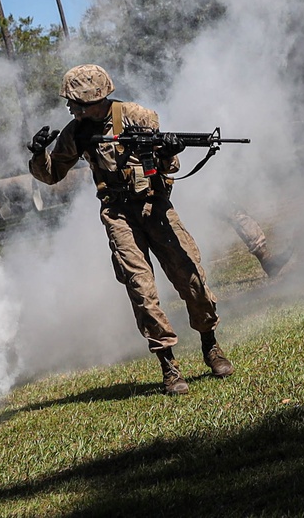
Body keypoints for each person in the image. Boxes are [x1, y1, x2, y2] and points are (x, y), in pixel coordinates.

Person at [27, 64, 233, 395]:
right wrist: (39, 155)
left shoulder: (138, 115)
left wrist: (167, 153)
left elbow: (169, 167)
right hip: (119, 215)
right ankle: (169, 367)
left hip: (156, 208)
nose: (71, 108)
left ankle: (210, 345)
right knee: (141, 289)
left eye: (76, 103)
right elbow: (52, 175)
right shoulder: (77, 131)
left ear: (95, 98)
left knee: (191, 277)